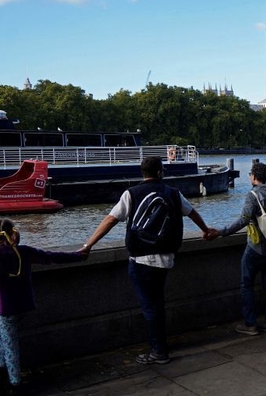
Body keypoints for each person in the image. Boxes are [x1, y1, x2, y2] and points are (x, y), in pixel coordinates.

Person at [80, 156, 212, 365]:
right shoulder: (173, 193)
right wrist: (205, 230)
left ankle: (159, 351)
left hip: (141, 260)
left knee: (151, 307)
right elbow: (192, 213)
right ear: (160, 172)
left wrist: (89, 245)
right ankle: (159, 346)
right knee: (156, 303)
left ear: (142, 173)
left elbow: (111, 220)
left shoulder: (131, 194)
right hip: (166, 258)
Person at [0, 219, 86, 392]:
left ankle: (14, 384)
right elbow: (51, 257)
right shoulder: (24, 252)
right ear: (13, 234)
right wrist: (78, 255)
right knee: (1, 334)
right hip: (26, 305)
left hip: (6, 309)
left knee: (10, 344)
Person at [207, 161, 266, 335]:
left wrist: (221, 232)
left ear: (253, 177)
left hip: (254, 248)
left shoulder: (252, 196)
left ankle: (250, 324)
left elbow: (243, 220)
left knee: (247, 286)